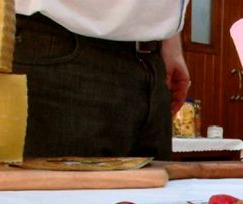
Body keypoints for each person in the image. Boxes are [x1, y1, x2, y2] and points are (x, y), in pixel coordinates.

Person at [12, 1, 191, 160]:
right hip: (61, 39)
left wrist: (170, 41)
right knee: (58, 195)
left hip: (151, 56)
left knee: (154, 195)